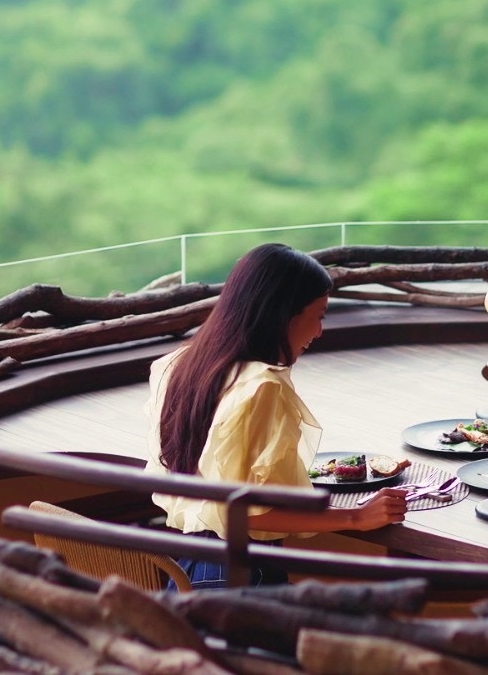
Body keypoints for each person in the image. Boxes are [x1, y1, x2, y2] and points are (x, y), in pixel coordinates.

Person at [144, 242, 408, 589]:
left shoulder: (179, 365)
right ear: (283, 315)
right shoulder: (263, 387)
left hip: (189, 570)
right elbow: (248, 513)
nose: (319, 331)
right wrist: (356, 517)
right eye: (319, 315)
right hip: (242, 578)